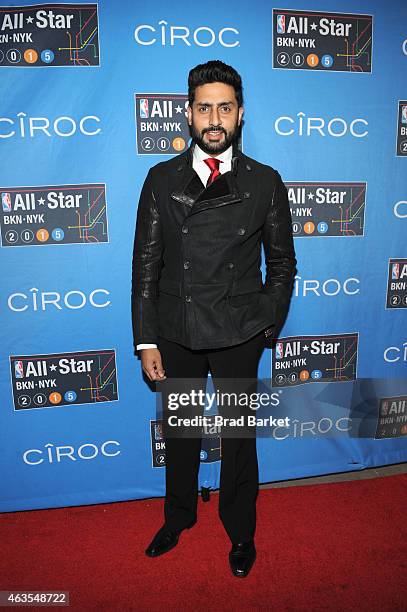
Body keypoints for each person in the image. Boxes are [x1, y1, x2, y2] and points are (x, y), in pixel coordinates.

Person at [131, 60, 296, 578]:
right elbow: (145, 264)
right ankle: (177, 517)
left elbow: (283, 262)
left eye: (225, 107)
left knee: (240, 436)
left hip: (238, 329)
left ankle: (241, 530)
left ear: (240, 114)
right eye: (205, 107)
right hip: (177, 327)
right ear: (188, 113)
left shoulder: (266, 182)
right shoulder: (161, 179)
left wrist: (268, 319)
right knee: (180, 430)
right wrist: (146, 339)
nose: (214, 117)